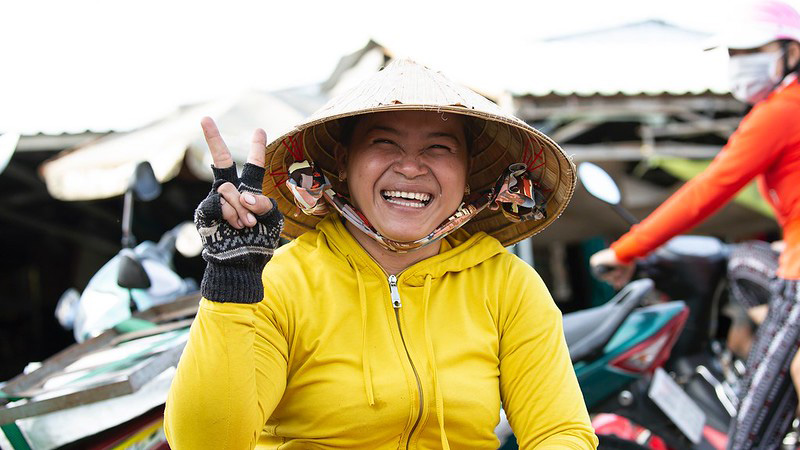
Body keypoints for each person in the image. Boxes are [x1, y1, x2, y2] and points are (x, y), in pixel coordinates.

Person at [164, 59, 598, 449]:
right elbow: (206, 443)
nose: (410, 167)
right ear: (343, 162)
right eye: (384, 144)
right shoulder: (281, 282)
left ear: (467, 175)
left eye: (440, 148)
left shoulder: (508, 285)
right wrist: (230, 286)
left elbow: (559, 432)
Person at [589, 1, 800, 448]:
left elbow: (708, 189)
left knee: (753, 427)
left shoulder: (781, 110)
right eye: (734, 54)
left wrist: (625, 249)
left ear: (792, 52)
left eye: (751, 50)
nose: (740, 63)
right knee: (745, 260)